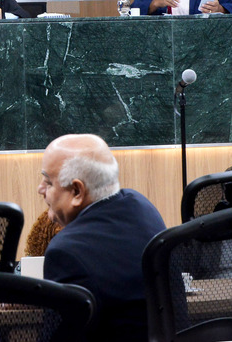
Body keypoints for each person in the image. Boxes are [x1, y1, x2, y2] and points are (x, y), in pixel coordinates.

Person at [38, 133, 166, 342]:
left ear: (77, 191)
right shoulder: (143, 206)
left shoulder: (65, 252)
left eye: (48, 182)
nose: (40, 189)